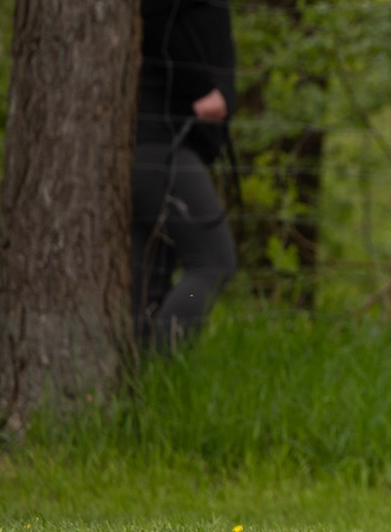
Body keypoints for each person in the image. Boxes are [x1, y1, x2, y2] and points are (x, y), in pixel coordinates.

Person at [131, 0, 238, 352]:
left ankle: (133, 382)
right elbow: (155, 14)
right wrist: (202, 87)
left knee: (148, 277)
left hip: (155, 141)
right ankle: (160, 372)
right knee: (212, 262)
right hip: (161, 143)